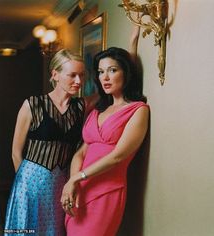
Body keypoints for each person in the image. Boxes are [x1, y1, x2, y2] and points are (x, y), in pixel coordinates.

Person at [61, 47, 149, 236]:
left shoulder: (138, 110)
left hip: (106, 191)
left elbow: (118, 157)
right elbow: (81, 152)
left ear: (126, 72)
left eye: (112, 70)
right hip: (80, 190)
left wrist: (77, 177)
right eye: (101, 72)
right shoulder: (97, 110)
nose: (105, 77)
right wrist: (72, 182)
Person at [4, 49, 87, 235]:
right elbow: (16, 152)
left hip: (62, 183)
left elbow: (117, 90)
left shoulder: (81, 107)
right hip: (30, 182)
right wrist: (24, 186)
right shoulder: (32, 104)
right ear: (55, 74)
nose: (79, 81)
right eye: (72, 75)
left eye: (82, 75)